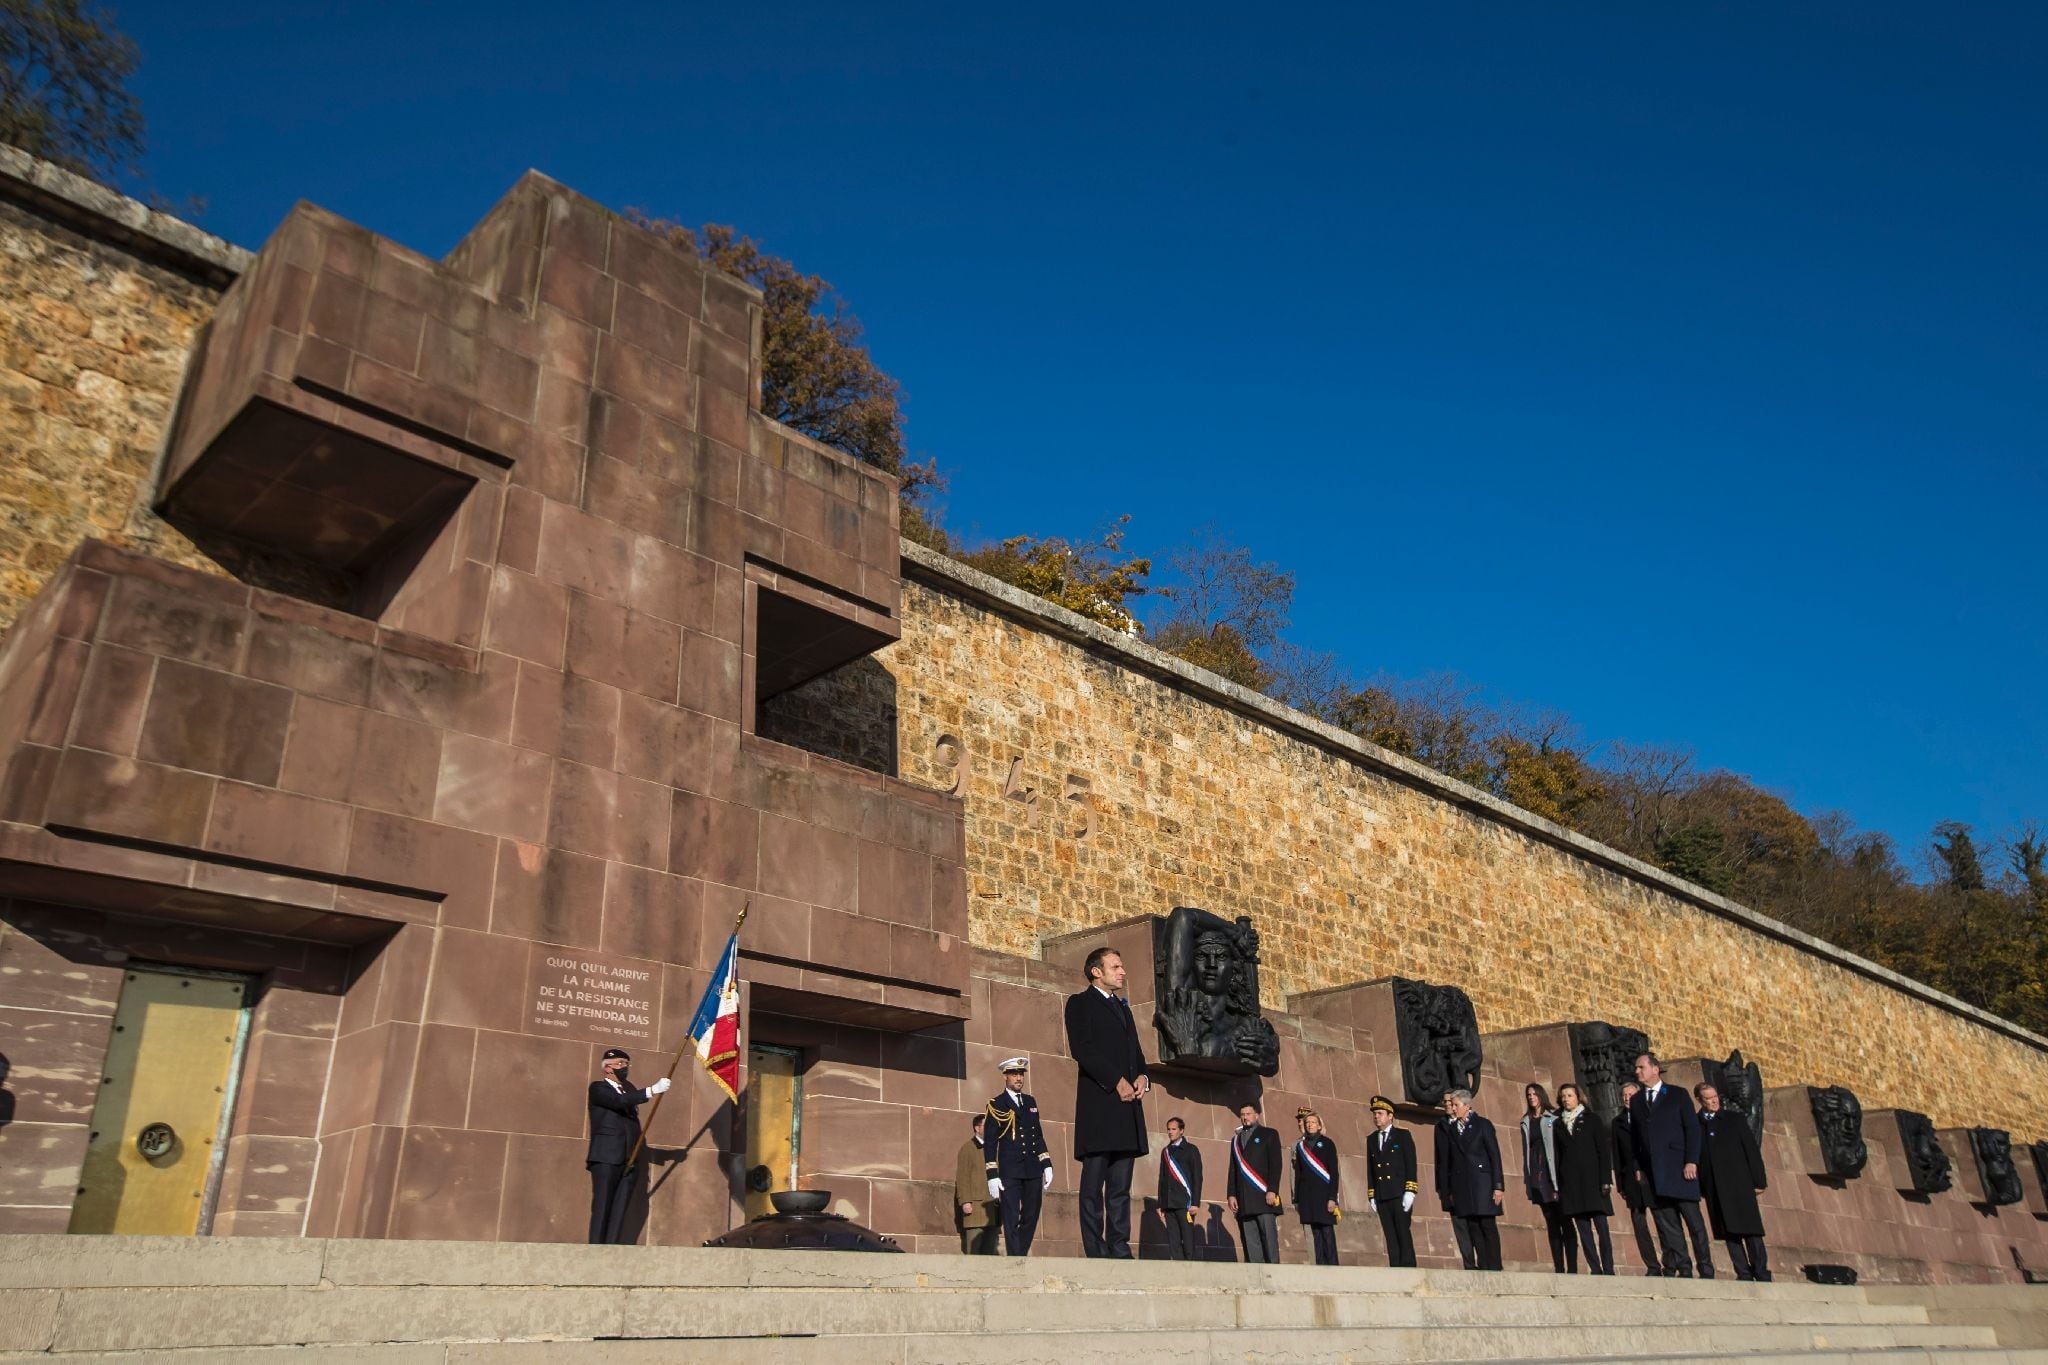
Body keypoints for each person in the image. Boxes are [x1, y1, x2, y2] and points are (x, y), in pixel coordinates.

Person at [1065, 946, 1150, 1258]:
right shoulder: (1079, 1004)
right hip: (1100, 1107)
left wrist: (1143, 1077)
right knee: (1092, 1187)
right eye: (1116, 966)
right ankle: (1096, 1249)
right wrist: (1116, 1080)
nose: (1123, 972)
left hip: (1127, 1109)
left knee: (1120, 1187)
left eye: (1122, 966)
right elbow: (1083, 1049)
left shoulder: (1124, 1009)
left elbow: (1136, 1053)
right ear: (1096, 972)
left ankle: (1119, 1246)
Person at [1629, 1053, 1714, 1278]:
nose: (1637, 1071)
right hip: (1656, 1173)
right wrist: (1639, 1166)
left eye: (1641, 1067)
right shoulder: (1637, 1101)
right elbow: (1635, 1138)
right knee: (1669, 1226)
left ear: (1655, 1069)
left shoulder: (1676, 1094)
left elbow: (1692, 1130)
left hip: (1681, 1169)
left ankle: (1705, 1268)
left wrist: (1691, 1160)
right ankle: (1684, 1267)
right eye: (1636, 1069)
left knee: (1694, 1223)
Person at [586, 1048, 668, 1244]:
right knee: (603, 1206)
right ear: (607, 1067)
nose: (625, 1068)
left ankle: (612, 1249)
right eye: (620, 1063)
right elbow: (617, 1102)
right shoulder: (598, 1088)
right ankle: (595, 1251)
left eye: (627, 1064)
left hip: (629, 1160)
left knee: (619, 1210)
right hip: (606, 1157)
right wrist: (651, 1091)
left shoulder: (628, 1091)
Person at [1695, 1082, 1771, 1281]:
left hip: (1740, 1182)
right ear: (1699, 1101)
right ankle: (1743, 1271)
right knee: (1729, 1230)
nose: (1713, 1101)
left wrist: (1759, 1180)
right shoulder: (1696, 1124)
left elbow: (1751, 1151)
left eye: (1715, 1097)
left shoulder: (1733, 1119)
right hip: (1716, 1187)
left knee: (1751, 1229)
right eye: (1708, 1098)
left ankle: (1761, 1271)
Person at [983, 1056, 1054, 1255]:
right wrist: (992, 1174)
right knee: (1011, 1217)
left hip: (1032, 1168)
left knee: (1031, 1215)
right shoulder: (996, 1104)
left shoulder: (1030, 1102)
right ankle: (1016, 1259)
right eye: (1014, 1074)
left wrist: (1046, 1164)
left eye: (1021, 1074)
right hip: (1010, 1169)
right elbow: (990, 1142)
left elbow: (1037, 1135)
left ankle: (1019, 1254)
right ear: (1005, 1076)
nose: (1019, 1078)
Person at [1435, 1087, 1504, 1270]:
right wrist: (1448, 1190)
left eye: (1456, 1105)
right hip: (1463, 1186)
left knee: (1487, 1225)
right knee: (1473, 1227)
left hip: (1483, 1184)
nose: (1453, 1108)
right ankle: (1483, 1266)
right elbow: (1447, 1161)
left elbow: (1494, 1156)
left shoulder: (1483, 1124)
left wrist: (1498, 1186)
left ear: (1466, 1105)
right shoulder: (1451, 1129)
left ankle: (1495, 1266)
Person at [1552, 1082, 1615, 1274]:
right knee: (1583, 1230)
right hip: (1572, 1183)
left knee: (1602, 1229)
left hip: (1593, 1181)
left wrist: (1606, 1179)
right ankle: (1595, 1268)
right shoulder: (1558, 1123)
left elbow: (1603, 1152)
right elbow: (1557, 1154)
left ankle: (1608, 1268)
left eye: (1569, 1095)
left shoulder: (1592, 1119)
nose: (1566, 1099)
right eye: (1563, 1096)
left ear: (1578, 1097)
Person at [1519, 1082, 1576, 1273]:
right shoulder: (1526, 1121)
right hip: (1537, 1174)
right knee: (1551, 1222)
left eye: (1534, 1094)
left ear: (1541, 1096)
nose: (1531, 1097)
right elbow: (1525, 1150)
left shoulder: (1552, 1117)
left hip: (1554, 1174)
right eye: (1528, 1095)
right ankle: (1559, 1266)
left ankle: (1572, 1267)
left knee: (1565, 1220)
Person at [1614, 1081, 1663, 1275]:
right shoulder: (1617, 1122)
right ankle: (1652, 1265)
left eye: (1631, 1095)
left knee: (1662, 1219)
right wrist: (1620, 1185)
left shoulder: (1649, 1116)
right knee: (1639, 1222)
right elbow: (1617, 1154)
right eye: (1624, 1095)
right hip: (1631, 1180)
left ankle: (1672, 1261)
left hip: (1652, 1175)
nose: (1627, 1098)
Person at [1226, 1099, 1283, 1263]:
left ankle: (1274, 1274)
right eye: (1242, 1115)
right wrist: (1231, 1194)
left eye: (1248, 1114)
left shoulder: (1269, 1134)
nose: (1245, 1117)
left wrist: (1272, 1189)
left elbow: (1276, 1164)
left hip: (1264, 1195)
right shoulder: (1235, 1140)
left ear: (1257, 1115)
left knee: (1269, 1240)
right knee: (1251, 1243)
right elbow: (1233, 1169)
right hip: (1244, 1198)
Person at [1364, 1095, 1418, 1267]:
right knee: (1390, 1233)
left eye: (1380, 1113)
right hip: (1382, 1192)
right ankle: (1395, 1265)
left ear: (1390, 1116)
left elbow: (1411, 1163)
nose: (1376, 1117)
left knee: (1402, 1230)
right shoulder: (1372, 1139)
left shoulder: (1402, 1136)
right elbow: (1370, 1168)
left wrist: (1410, 1190)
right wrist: (1372, 1194)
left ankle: (1408, 1266)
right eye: (1375, 1114)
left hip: (1398, 1191)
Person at [1292, 1106, 1341, 1266]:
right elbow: (1298, 1174)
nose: (1310, 1125)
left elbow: (1334, 1173)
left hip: (1324, 1195)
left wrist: (1332, 1198)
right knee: (1315, 1232)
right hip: (1308, 1196)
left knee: (1326, 1230)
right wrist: (1297, 1199)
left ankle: (1332, 1264)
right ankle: (1320, 1265)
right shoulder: (1301, 1147)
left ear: (1319, 1125)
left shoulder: (1327, 1143)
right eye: (1307, 1123)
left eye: (1313, 1122)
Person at [1157, 1115, 1204, 1261]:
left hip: (1185, 1203)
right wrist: (1161, 1204)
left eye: (1174, 1129)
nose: (1171, 1132)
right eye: (1169, 1129)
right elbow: (1162, 1178)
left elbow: (1197, 1177)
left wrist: (1196, 1202)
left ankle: (1190, 1267)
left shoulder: (1191, 1150)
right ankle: (1178, 1267)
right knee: (1173, 1240)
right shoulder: (1165, 1151)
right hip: (1169, 1203)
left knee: (1187, 1237)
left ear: (1181, 1131)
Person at [955, 1113, 1000, 1254]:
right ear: (977, 1128)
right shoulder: (967, 1148)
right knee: (974, 1251)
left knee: (990, 1251)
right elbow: (962, 1177)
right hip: (975, 1207)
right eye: (987, 1125)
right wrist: (965, 1202)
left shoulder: (994, 1148)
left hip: (993, 1208)